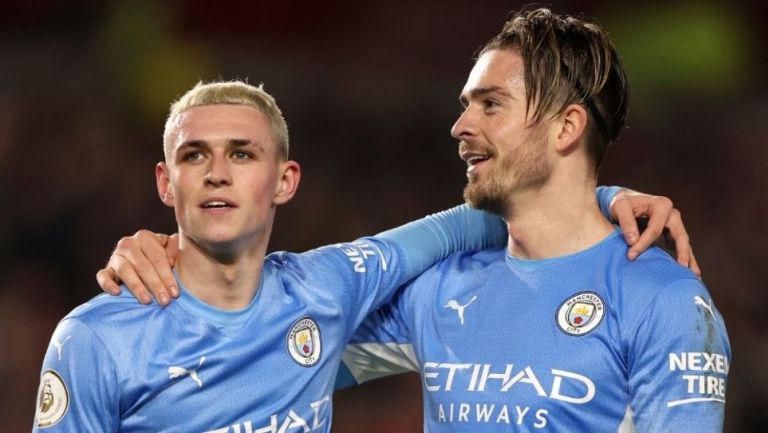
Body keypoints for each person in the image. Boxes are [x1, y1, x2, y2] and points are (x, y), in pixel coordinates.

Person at [33, 80, 519, 432]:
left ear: (285, 181)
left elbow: (465, 224)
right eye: (194, 155)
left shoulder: (325, 287)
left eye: (242, 154)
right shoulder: (97, 338)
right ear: (166, 182)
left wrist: (596, 197)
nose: (217, 173)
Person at [337, 7, 730, 432]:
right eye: (467, 105)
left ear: (566, 127)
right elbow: (282, 346)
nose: (460, 126)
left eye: (491, 105)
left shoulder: (662, 300)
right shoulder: (440, 289)